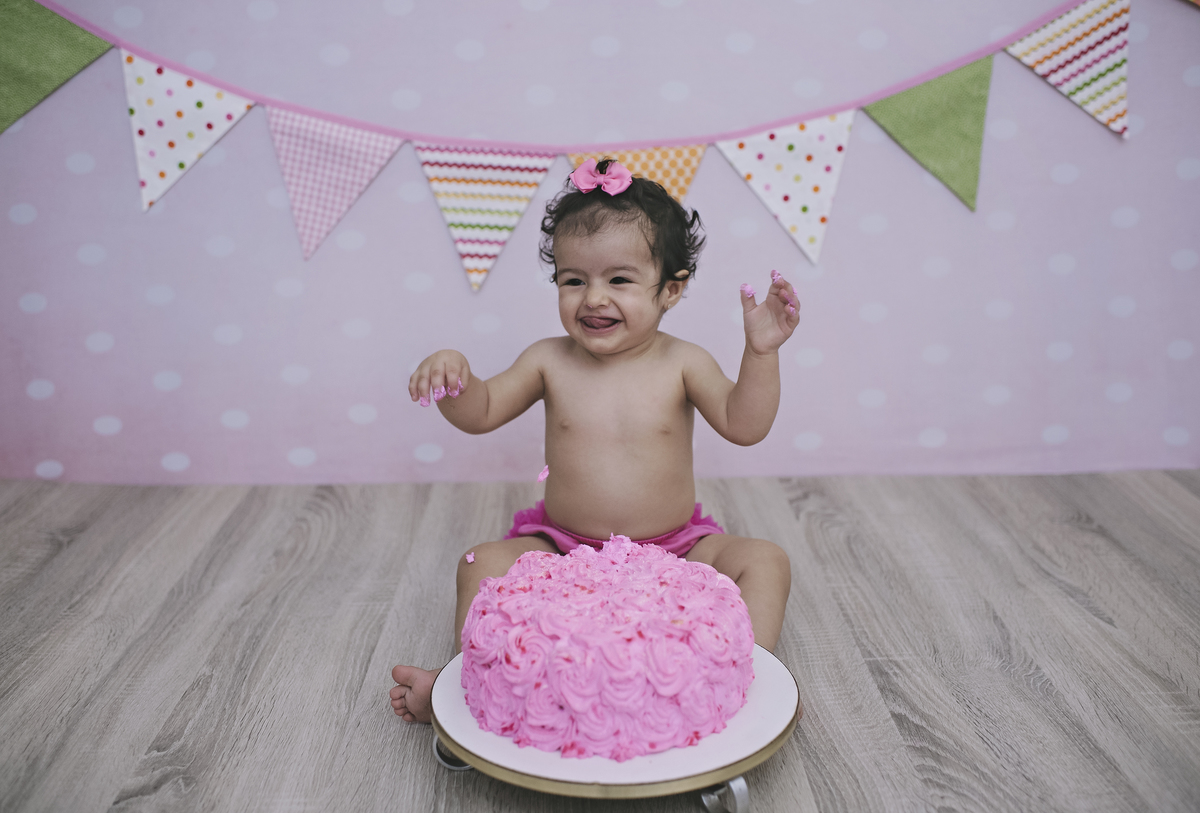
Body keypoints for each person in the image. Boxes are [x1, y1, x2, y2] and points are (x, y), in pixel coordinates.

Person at [390, 158, 799, 724]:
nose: (594, 298)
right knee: (479, 562)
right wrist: (455, 377)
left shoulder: (684, 362)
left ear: (671, 289)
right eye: (574, 280)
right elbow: (482, 412)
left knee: (767, 561)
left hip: (675, 548)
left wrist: (760, 353)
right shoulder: (548, 360)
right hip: (563, 548)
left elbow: (744, 425)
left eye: (619, 280)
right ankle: (470, 683)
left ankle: (742, 676)